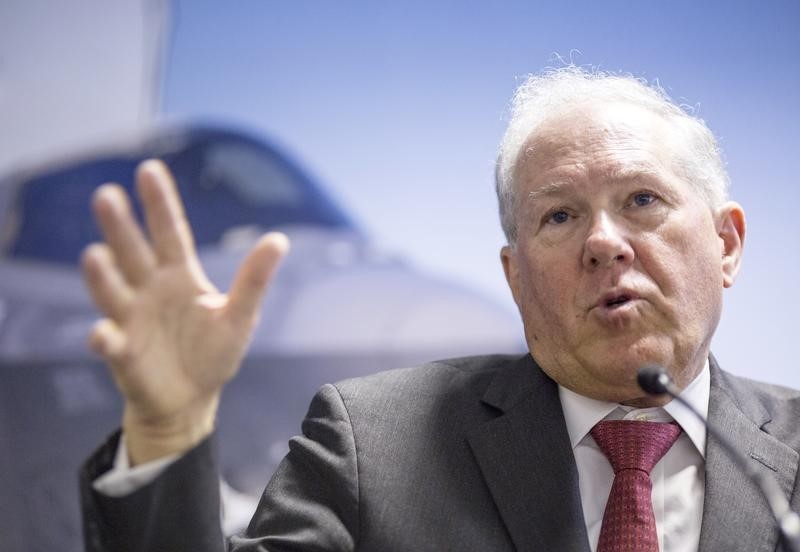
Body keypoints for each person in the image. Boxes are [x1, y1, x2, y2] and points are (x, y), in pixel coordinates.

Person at [79, 67, 800, 551]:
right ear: (515, 279)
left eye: (641, 200)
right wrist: (167, 428)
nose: (604, 243)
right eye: (559, 217)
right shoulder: (372, 447)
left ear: (727, 243)